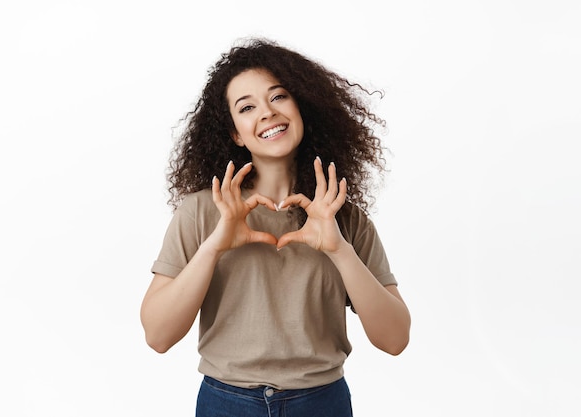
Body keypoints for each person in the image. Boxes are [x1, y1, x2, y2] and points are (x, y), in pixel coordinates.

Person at [140, 37, 410, 417]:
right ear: (235, 132)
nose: (266, 112)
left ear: (301, 107)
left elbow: (396, 339)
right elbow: (158, 336)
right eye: (246, 107)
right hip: (226, 403)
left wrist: (339, 250)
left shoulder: (342, 217)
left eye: (278, 96)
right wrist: (215, 245)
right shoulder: (202, 211)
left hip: (321, 403)